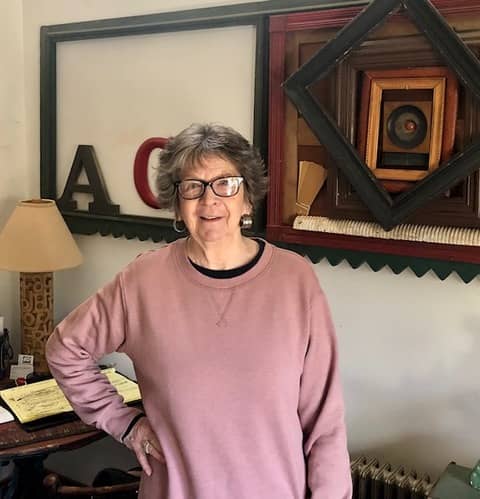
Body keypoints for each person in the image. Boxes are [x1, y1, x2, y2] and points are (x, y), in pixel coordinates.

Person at [46, 123, 352, 499]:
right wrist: (126, 424)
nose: (209, 200)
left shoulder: (295, 281)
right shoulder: (142, 281)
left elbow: (325, 423)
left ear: (248, 198)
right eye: (193, 186)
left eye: (226, 183)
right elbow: (65, 349)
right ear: (177, 203)